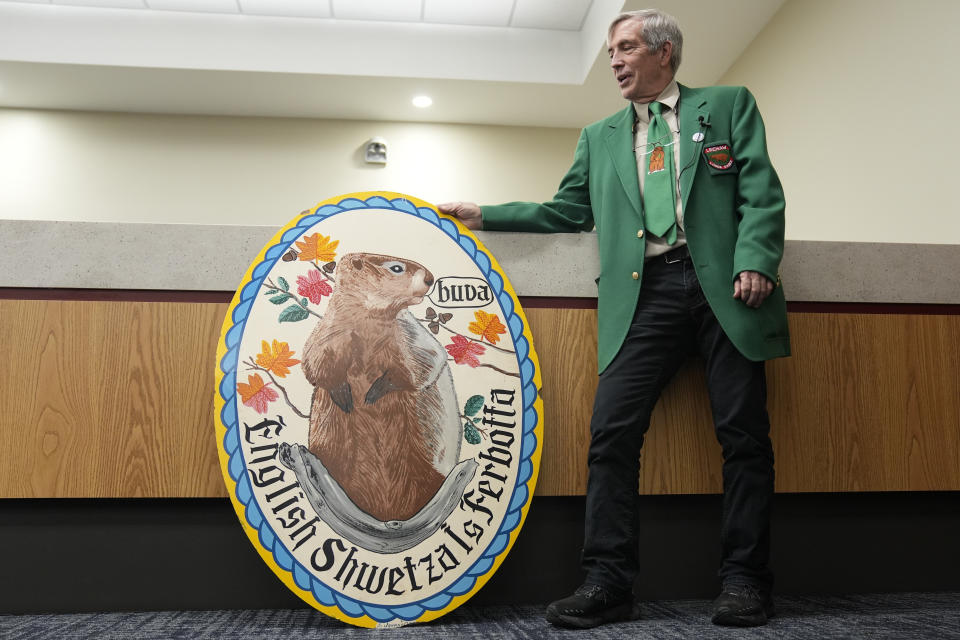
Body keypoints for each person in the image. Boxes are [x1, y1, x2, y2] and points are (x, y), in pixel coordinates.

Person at [439, 8, 789, 629]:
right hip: (643, 291)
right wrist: (486, 212)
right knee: (611, 436)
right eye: (611, 53)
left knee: (744, 438)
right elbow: (567, 210)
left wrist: (756, 258)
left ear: (664, 53)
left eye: (626, 48)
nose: (616, 61)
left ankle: (745, 582)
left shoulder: (729, 104)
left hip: (726, 288)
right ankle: (606, 581)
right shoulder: (599, 135)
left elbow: (760, 190)